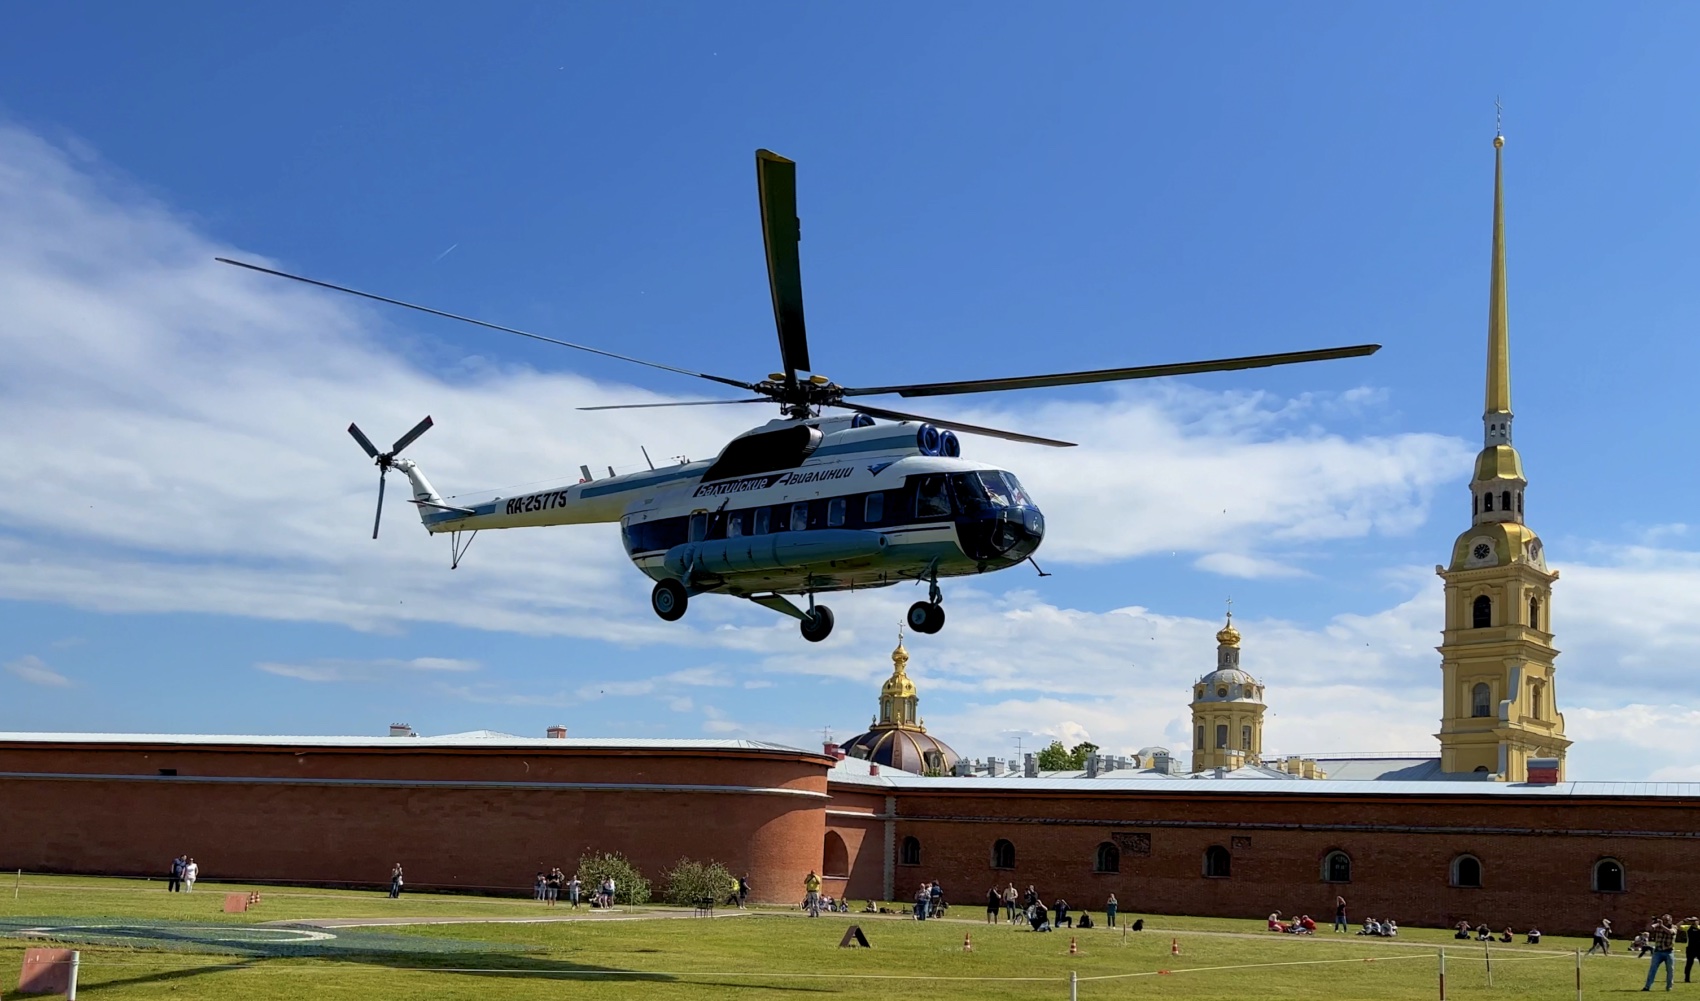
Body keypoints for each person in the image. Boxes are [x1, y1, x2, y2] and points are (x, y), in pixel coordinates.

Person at [1645, 914, 1678, 991]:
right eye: (1664, 920)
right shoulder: (1658, 926)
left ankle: (1669, 987)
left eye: (1667, 920)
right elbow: (1648, 928)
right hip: (1658, 952)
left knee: (1670, 970)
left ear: (1670, 920)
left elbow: (1670, 932)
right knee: (1652, 969)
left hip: (1669, 952)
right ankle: (1647, 986)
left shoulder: (1674, 927)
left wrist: (1662, 925)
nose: (1666, 922)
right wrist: (1654, 922)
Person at [1682, 916, 1699, 983]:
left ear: (1698, 921)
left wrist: (1697, 926)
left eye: (1695, 921)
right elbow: (1677, 926)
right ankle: (1687, 978)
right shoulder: (1688, 927)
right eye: (1692, 921)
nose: (1693, 922)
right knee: (1689, 964)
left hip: (1699, 949)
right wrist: (1684, 920)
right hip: (1691, 948)